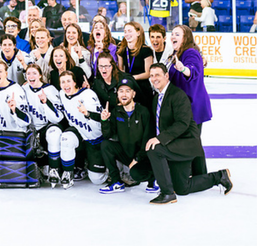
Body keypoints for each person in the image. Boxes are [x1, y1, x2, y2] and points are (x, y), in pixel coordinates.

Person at [145, 63, 231, 205]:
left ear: (166, 76)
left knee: (155, 149)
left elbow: (182, 124)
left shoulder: (177, 95)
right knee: (182, 188)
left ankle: (167, 193)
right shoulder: (157, 98)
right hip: (174, 144)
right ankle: (220, 176)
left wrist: (159, 139)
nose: (154, 78)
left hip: (185, 144)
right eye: (152, 75)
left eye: (158, 75)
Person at [99, 77, 155, 194]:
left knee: (136, 174)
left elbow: (148, 138)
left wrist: (137, 158)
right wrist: (104, 121)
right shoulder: (116, 111)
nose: (124, 94)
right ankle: (116, 182)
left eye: (127, 91)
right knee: (105, 145)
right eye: (121, 91)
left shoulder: (143, 112)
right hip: (126, 152)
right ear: (118, 94)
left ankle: (153, 180)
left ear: (133, 94)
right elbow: (107, 135)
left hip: (142, 156)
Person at [167, 25, 212, 172]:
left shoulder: (190, 53)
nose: (173, 36)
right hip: (185, 104)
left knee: (192, 141)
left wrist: (183, 69)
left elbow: (193, 71)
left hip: (193, 105)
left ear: (185, 37)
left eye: (177, 34)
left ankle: (199, 174)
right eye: (172, 33)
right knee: (193, 141)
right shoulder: (177, 53)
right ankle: (198, 173)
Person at [54, 71, 106, 189]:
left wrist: (87, 113)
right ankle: (68, 173)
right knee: (66, 138)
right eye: (62, 82)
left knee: (97, 180)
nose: (66, 85)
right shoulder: (62, 94)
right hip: (80, 133)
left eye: (68, 81)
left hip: (95, 139)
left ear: (74, 82)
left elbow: (101, 119)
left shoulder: (87, 95)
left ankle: (105, 166)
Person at [117, 22, 153, 110]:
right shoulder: (121, 49)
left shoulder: (146, 50)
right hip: (127, 87)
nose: (127, 34)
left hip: (142, 88)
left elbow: (148, 73)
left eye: (130, 31)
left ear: (138, 32)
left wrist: (132, 78)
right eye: (125, 31)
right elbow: (120, 69)